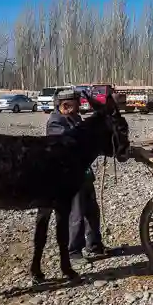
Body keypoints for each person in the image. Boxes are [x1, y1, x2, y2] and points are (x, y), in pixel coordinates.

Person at [46, 89, 109, 260]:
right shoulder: (55, 123)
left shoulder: (76, 118)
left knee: (92, 212)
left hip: (84, 173)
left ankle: (94, 245)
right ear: (65, 105)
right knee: (76, 214)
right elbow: (69, 143)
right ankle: (73, 251)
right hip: (68, 177)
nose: (80, 106)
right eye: (76, 103)